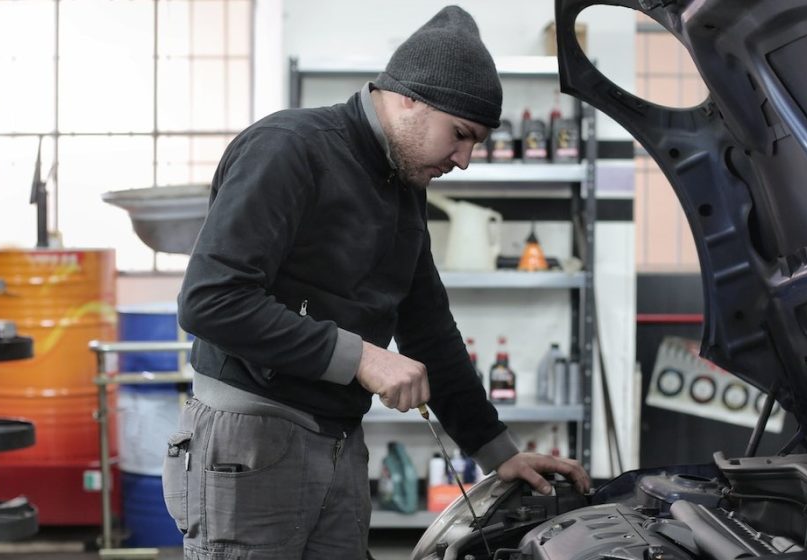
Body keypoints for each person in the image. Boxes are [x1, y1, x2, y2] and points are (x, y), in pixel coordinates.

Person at [168, 5, 591, 559]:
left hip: (339, 439)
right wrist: (363, 358)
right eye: (460, 135)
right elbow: (209, 301)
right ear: (408, 97)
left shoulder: (401, 181)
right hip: (250, 443)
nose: (464, 161)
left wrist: (497, 452)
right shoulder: (289, 148)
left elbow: (428, 327)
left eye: (477, 143)